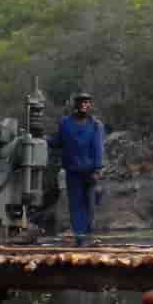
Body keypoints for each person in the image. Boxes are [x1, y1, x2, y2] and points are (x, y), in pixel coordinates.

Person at [50, 92, 105, 245]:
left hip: (90, 171)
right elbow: (57, 141)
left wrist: (97, 170)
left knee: (90, 204)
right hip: (72, 171)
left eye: (88, 102)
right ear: (76, 105)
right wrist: (41, 139)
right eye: (83, 102)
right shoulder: (65, 123)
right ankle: (79, 236)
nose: (85, 105)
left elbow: (98, 148)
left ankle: (87, 235)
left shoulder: (95, 125)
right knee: (75, 204)